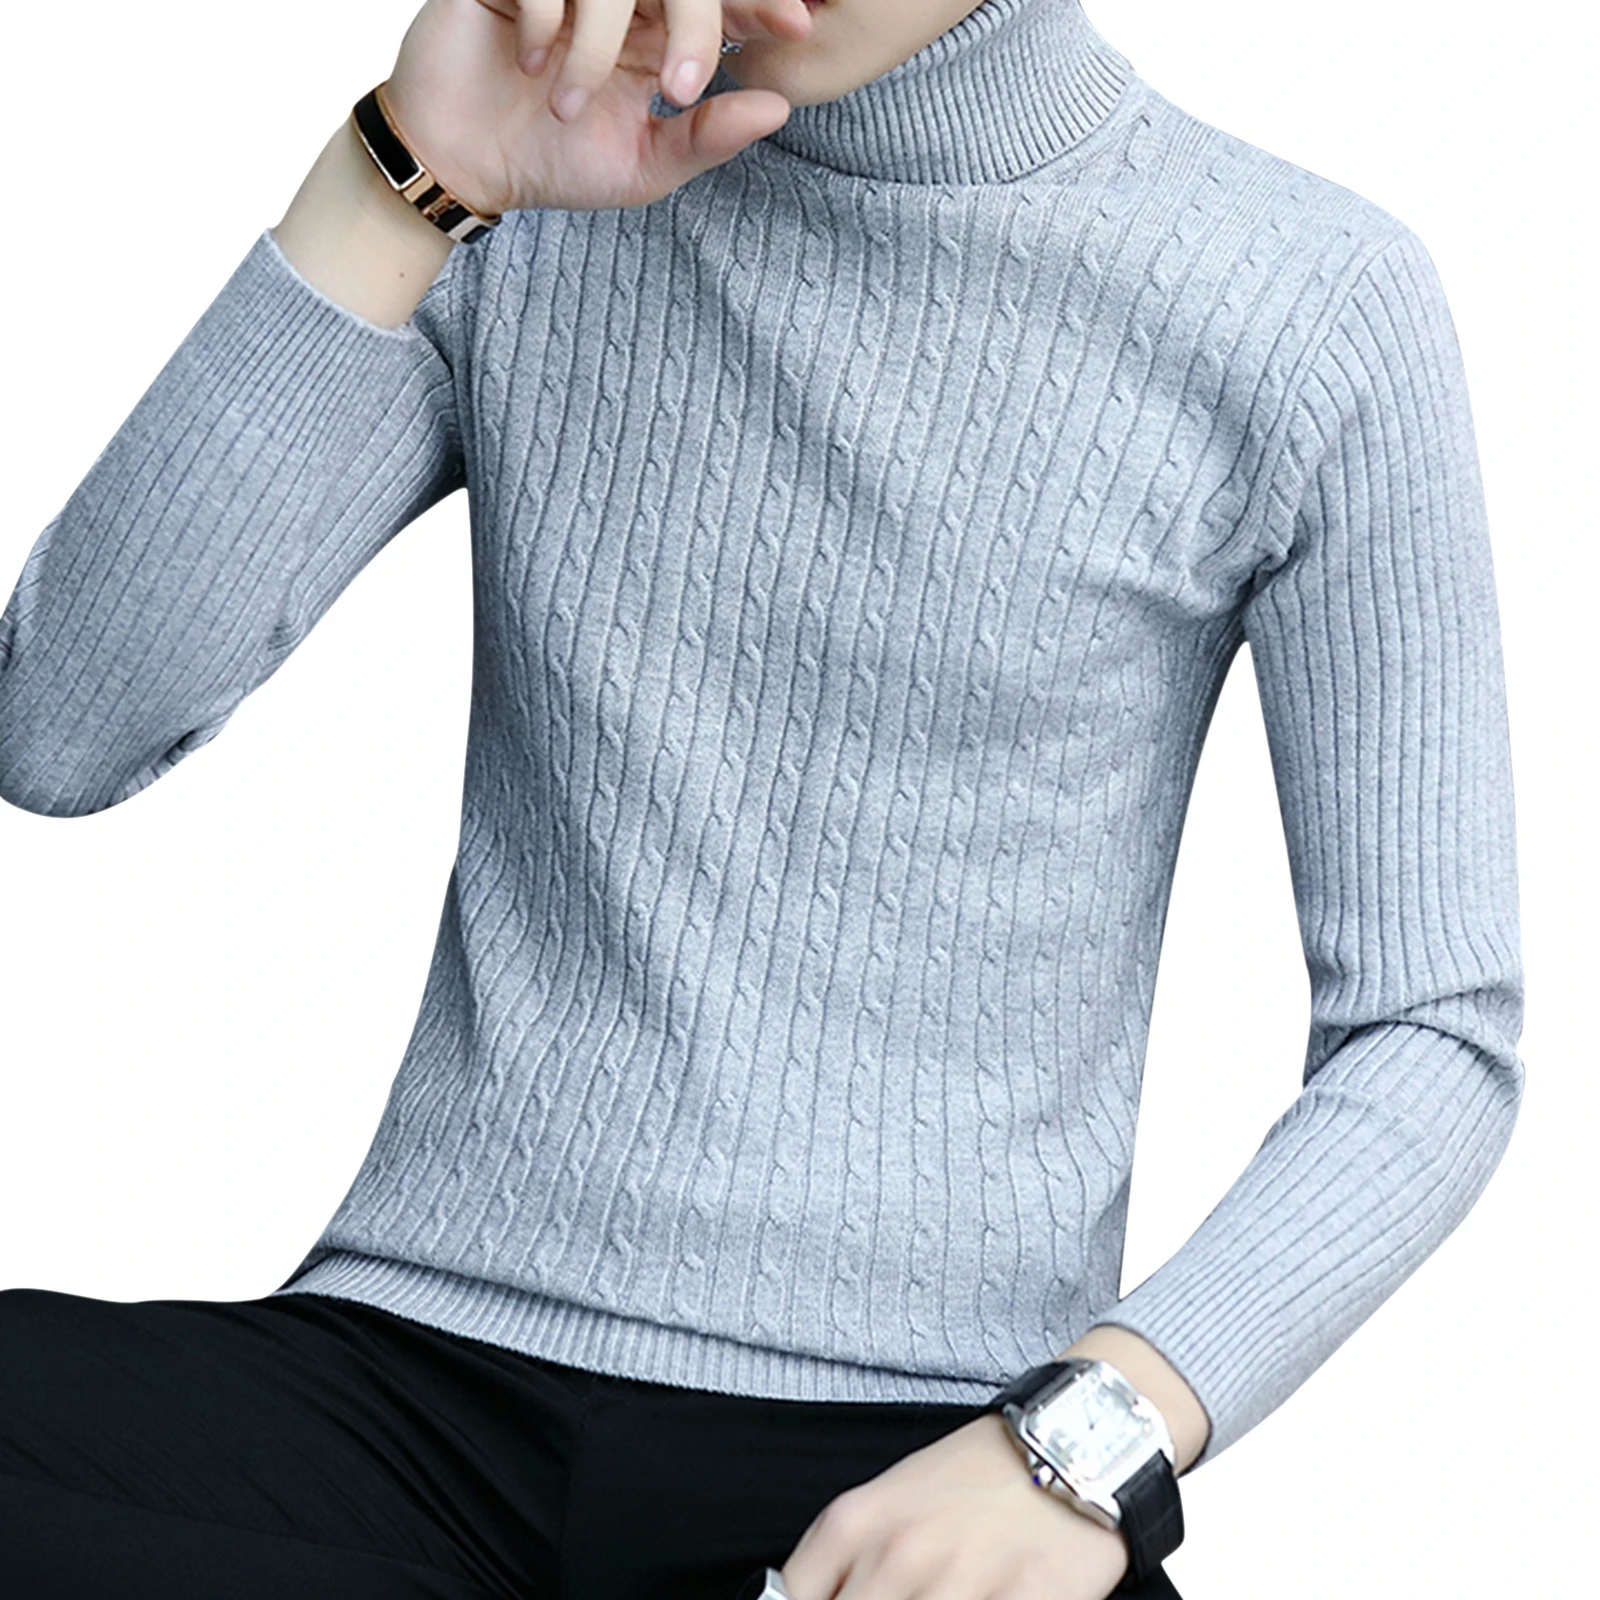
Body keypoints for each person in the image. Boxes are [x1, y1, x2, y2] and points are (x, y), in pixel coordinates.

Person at [0, 1, 1524, 1596]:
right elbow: (63, 729)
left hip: (923, 1455)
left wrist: (1085, 1444)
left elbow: (1431, 1030)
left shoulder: (1309, 298)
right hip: (408, 1391)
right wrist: (411, 169)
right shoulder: (534, 185)